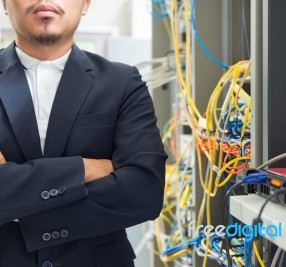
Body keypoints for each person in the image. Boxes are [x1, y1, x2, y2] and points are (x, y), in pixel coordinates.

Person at [0, 0, 167, 266]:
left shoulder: (123, 83)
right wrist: (84, 169)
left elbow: (144, 191)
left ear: (86, 4)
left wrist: (21, 206)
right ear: (5, 4)